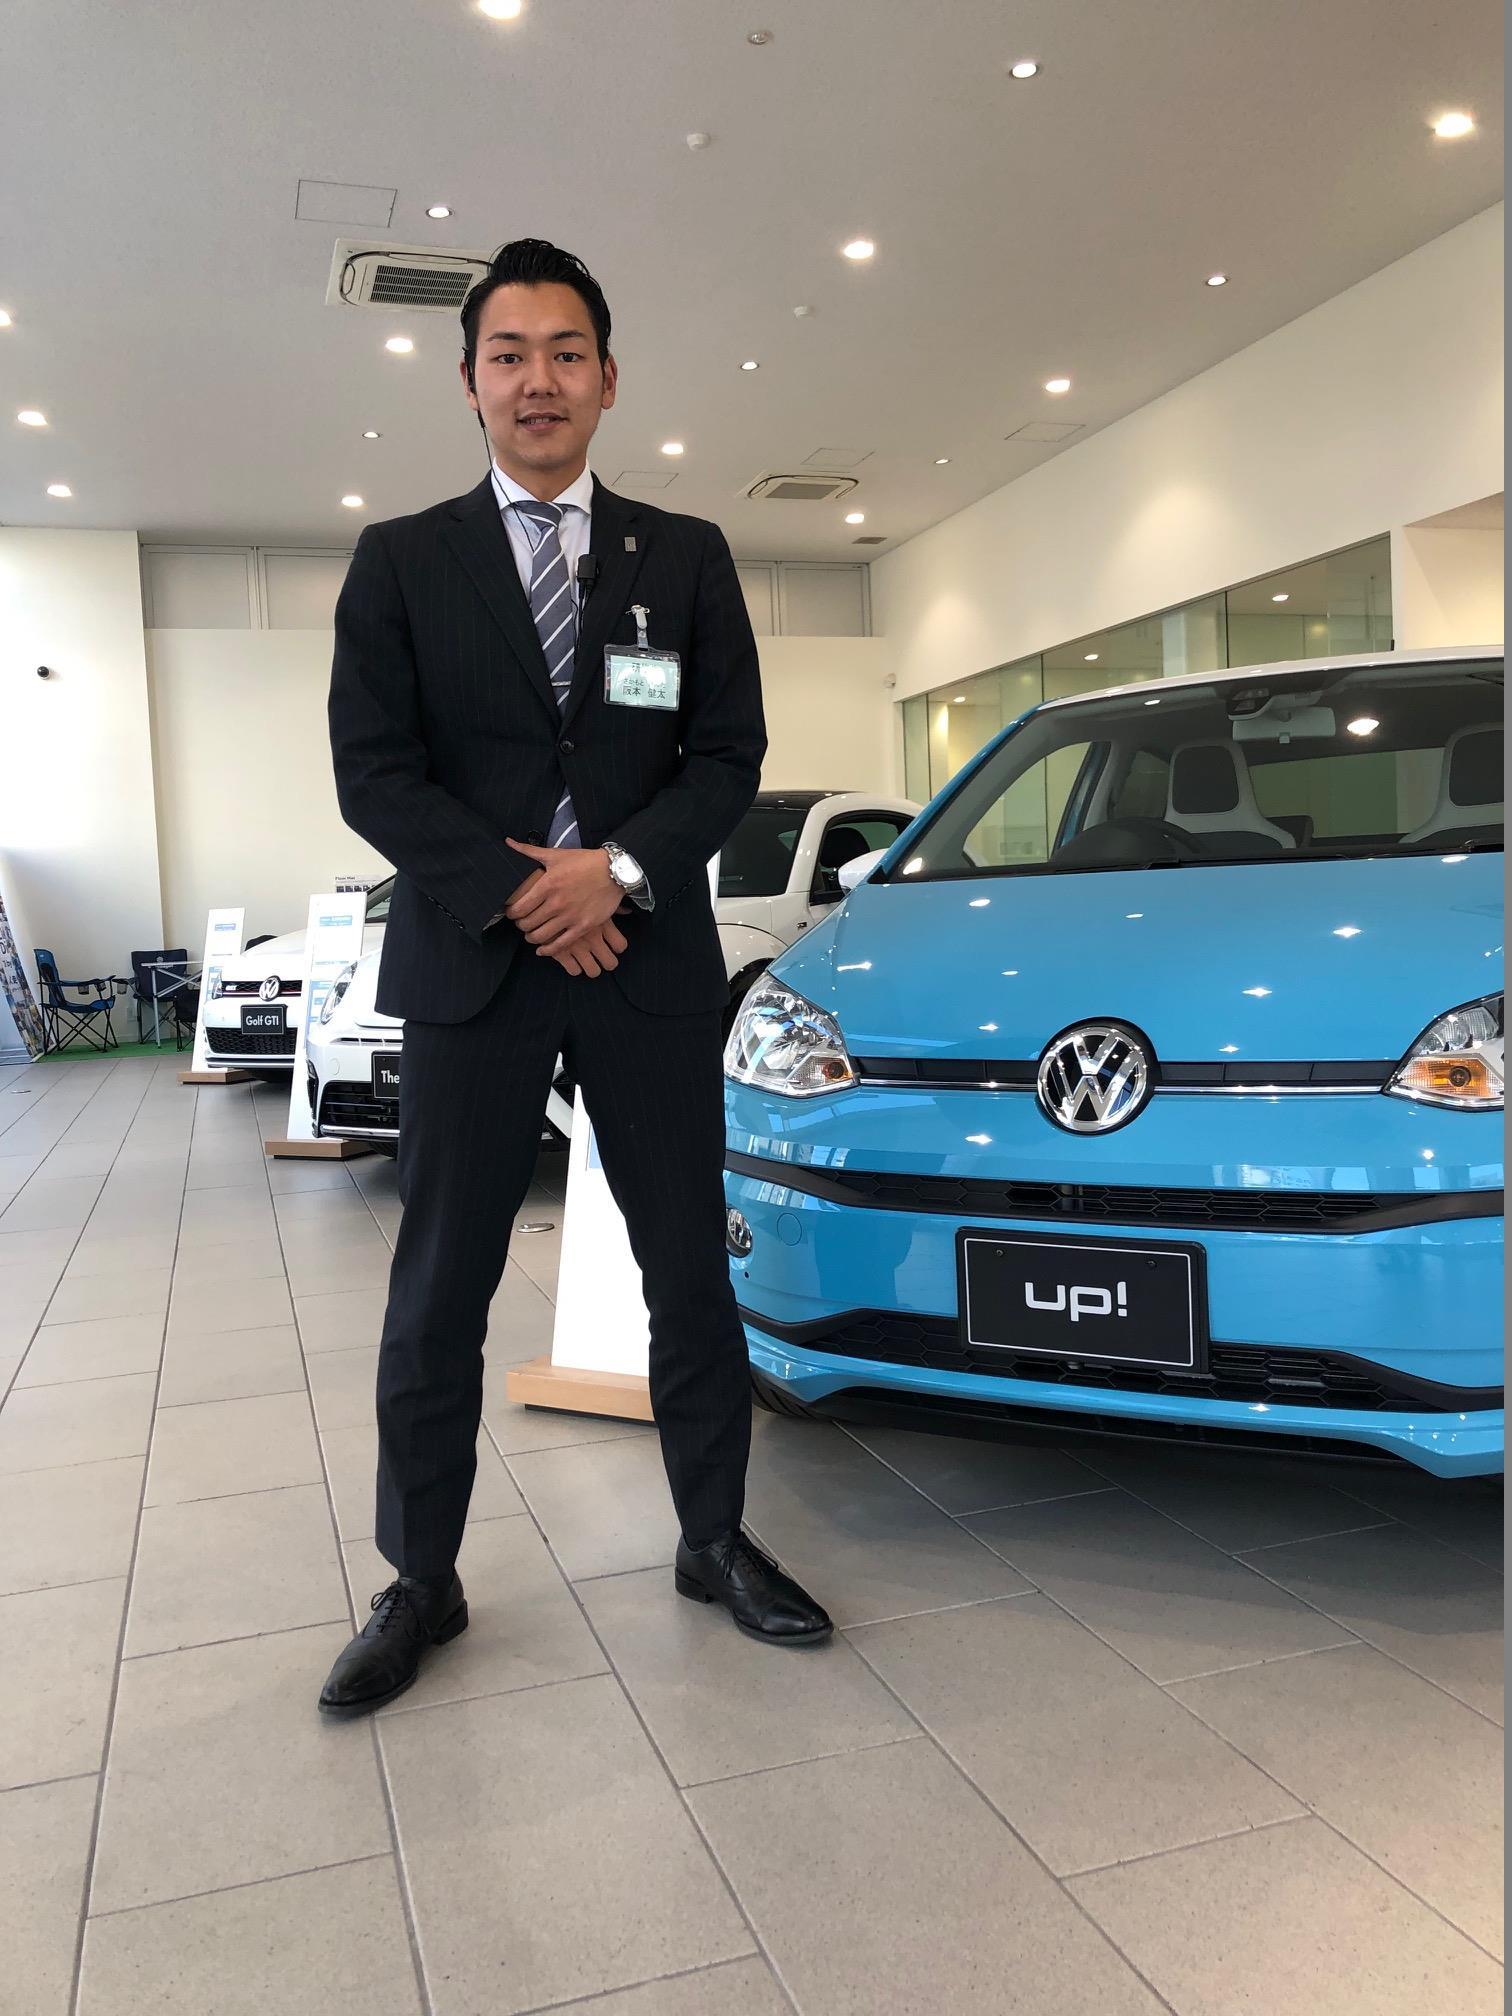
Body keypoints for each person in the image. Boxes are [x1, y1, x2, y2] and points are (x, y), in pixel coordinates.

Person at [319, 238, 831, 1716]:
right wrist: (529, 894)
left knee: (687, 1271)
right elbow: (375, 772)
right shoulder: (402, 560)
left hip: (641, 962)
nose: (536, 380)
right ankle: (420, 1576)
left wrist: (616, 873)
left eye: (565, 353)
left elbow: (725, 757)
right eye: (509, 354)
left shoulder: (686, 556)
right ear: (468, 380)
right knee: (438, 1288)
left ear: (609, 379)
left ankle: (713, 1539)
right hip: (475, 969)